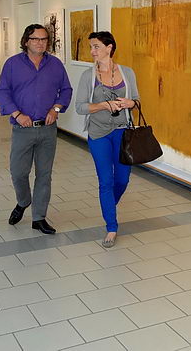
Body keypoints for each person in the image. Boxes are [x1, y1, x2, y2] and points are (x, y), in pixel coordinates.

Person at [0, 24, 72, 235]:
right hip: (22, 128)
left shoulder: (55, 64)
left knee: (44, 174)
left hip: (47, 129)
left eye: (44, 39)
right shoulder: (13, 64)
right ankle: (23, 201)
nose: (40, 43)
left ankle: (39, 217)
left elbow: (66, 90)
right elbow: (2, 92)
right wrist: (17, 114)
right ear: (26, 41)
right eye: (35, 39)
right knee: (18, 173)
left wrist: (56, 108)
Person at [75, 31, 140, 248]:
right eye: (91, 47)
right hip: (98, 134)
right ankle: (111, 227)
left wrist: (129, 103)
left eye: (96, 47)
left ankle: (108, 205)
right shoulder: (88, 76)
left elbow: (136, 100)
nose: (92, 51)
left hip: (123, 133)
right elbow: (80, 107)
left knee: (122, 180)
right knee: (106, 181)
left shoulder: (127, 72)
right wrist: (103, 105)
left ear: (109, 48)